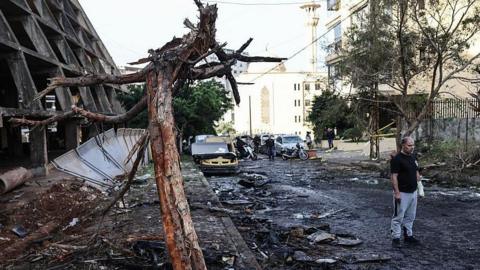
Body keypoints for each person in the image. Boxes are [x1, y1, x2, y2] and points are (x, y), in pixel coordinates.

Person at [390, 136, 421, 247]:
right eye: (409, 145)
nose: (412, 147)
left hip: (413, 192)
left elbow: (416, 171)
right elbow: (394, 177)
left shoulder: (412, 157)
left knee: (410, 216)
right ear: (403, 145)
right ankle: (396, 238)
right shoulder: (397, 159)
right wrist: (397, 192)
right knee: (398, 216)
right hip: (402, 192)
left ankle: (408, 236)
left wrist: (419, 185)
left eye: (413, 145)